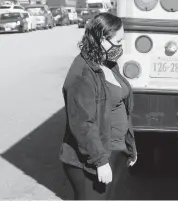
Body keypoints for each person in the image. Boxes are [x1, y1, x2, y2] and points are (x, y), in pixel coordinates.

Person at [59, 12, 137, 200]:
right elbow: (83, 123)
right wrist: (100, 162)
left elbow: (121, 108)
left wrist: (130, 146)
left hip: (113, 151)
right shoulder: (82, 74)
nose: (121, 47)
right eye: (118, 42)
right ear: (102, 39)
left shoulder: (108, 64)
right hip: (91, 160)